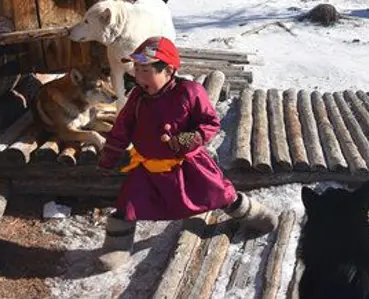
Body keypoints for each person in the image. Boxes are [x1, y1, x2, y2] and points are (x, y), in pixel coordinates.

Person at [96, 36, 278, 271]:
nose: (138, 77)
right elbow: (121, 130)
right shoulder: (137, 99)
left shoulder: (190, 92)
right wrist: (109, 157)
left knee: (220, 193)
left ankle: (252, 214)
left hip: (188, 165)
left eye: (145, 70)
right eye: (136, 69)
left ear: (169, 70)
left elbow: (210, 123)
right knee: (128, 204)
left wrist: (188, 139)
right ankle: (117, 246)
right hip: (149, 168)